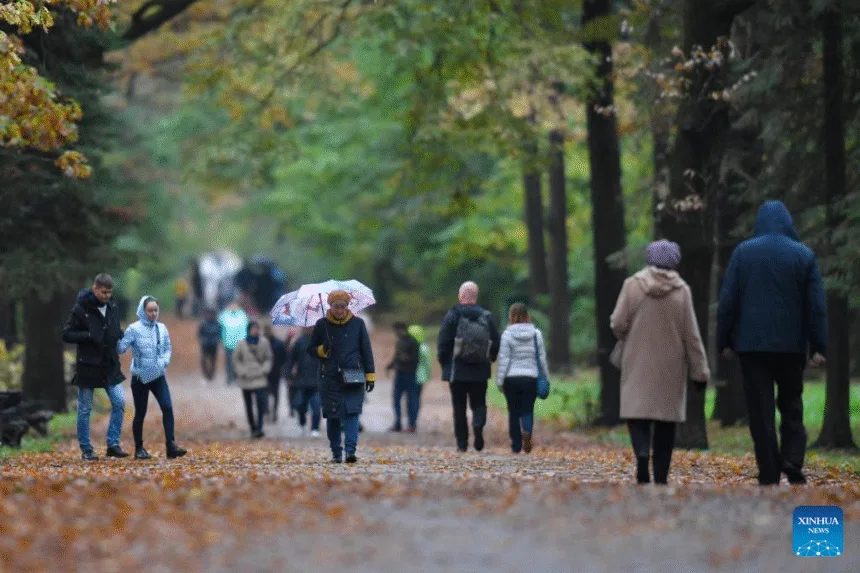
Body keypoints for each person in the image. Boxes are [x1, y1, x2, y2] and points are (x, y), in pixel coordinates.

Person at [717, 200, 827, 486]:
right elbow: (816, 306)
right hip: (791, 346)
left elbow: (728, 302)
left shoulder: (743, 253)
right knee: (792, 403)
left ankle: (768, 470)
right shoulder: (804, 256)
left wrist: (724, 341)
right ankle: (792, 458)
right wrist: (819, 346)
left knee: (760, 409)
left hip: (752, 347)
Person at [610, 240, 710, 485]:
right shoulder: (682, 291)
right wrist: (700, 372)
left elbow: (617, 323)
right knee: (666, 422)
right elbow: (692, 335)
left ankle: (642, 456)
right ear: (675, 262)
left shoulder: (632, 285)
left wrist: (627, 333)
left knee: (637, 413)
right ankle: (662, 474)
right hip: (671, 364)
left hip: (637, 359)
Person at [62, 273, 128, 461]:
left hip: (109, 364)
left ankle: (113, 444)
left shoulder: (113, 306)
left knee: (119, 402)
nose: (107, 296)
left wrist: (122, 337)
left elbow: (115, 328)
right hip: (88, 365)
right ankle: (86, 448)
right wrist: (89, 335)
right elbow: (67, 334)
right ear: (95, 289)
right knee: (84, 408)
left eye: (109, 292)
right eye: (104, 292)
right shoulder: (81, 308)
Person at [307, 290, 375, 463]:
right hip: (329, 377)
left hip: (353, 375)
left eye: (343, 306)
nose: (340, 310)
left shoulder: (358, 324)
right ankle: (336, 451)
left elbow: (366, 350)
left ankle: (351, 450)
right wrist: (322, 350)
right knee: (333, 415)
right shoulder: (322, 325)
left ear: (347, 306)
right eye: (337, 306)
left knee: (352, 413)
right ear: (331, 306)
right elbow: (311, 349)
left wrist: (370, 374)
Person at [117, 296, 187, 460]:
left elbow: (167, 348)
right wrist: (116, 334)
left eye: (155, 310)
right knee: (140, 412)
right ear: (143, 310)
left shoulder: (161, 328)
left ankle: (171, 445)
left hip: (158, 375)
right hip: (140, 376)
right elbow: (121, 348)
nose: (153, 313)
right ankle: (139, 448)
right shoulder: (133, 329)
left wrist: (163, 362)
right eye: (150, 310)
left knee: (167, 407)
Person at [437, 281, 501, 452]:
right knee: (479, 403)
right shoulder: (486, 316)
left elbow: (443, 342)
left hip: (457, 371)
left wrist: (445, 364)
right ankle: (478, 428)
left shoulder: (453, 315)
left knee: (459, 407)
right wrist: (490, 358)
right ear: (475, 296)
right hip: (480, 370)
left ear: (461, 296)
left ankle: (462, 443)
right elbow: (496, 341)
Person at [495, 303, 549, 454]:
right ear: (527, 315)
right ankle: (527, 432)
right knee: (527, 410)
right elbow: (541, 358)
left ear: (511, 316)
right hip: (530, 377)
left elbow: (504, 360)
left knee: (513, 411)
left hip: (511, 379)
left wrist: (500, 381)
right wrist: (545, 376)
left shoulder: (507, 334)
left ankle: (516, 444)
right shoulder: (536, 334)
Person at [233, 321, 272, 438]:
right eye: (253, 328)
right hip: (246, 379)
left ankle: (260, 426)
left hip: (260, 377)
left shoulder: (264, 342)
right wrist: (241, 371)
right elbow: (236, 359)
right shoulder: (241, 343)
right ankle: (253, 426)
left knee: (261, 403)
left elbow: (268, 357)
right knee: (248, 405)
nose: (255, 331)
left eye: (256, 328)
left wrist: (265, 369)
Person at [287, 326, 322, 436]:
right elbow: (292, 360)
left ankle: (315, 428)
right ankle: (302, 423)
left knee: (316, 406)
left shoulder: (320, 342)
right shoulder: (299, 342)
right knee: (300, 405)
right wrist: (289, 376)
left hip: (316, 380)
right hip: (301, 380)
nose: (309, 329)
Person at [386, 321, 420, 433]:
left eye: (397, 331)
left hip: (409, 374)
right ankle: (398, 423)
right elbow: (397, 357)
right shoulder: (399, 342)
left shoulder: (413, 342)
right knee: (396, 400)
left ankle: (412, 424)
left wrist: (406, 359)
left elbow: (415, 359)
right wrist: (390, 366)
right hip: (399, 373)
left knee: (411, 400)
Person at [219, 300, 249, 385]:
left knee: (239, 361)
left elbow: (245, 328)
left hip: (240, 343)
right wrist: (221, 340)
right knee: (229, 362)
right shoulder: (224, 315)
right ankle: (229, 378)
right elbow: (221, 328)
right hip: (228, 343)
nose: (233, 307)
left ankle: (237, 377)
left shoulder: (242, 315)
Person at [263, 323, 288, 422]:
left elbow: (284, 357)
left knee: (274, 393)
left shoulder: (278, 343)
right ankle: (268, 410)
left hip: (274, 372)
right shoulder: (262, 343)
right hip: (266, 372)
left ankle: (273, 412)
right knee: (267, 393)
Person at [408, 324, 433, 421]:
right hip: (422, 377)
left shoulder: (412, 347)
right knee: (416, 398)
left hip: (412, 376)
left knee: (412, 399)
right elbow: (428, 364)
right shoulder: (425, 347)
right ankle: (414, 419)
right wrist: (428, 376)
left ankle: (412, 420)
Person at [197, 307, 221, 381]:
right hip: (205, 343)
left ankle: (211, 374)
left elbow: (219, 333)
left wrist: (217, 340)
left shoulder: (217, 323)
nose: (210, 315)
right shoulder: (203, 323)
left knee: (213, 360)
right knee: (203, 359)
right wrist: (202, 340)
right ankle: (206, 373)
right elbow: (199, 333)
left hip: (214, 343)